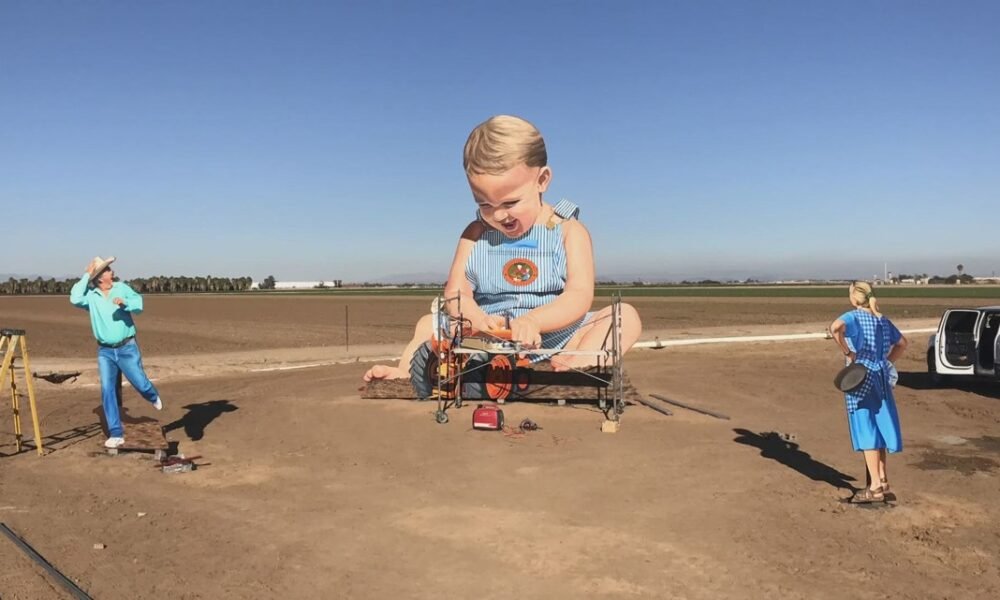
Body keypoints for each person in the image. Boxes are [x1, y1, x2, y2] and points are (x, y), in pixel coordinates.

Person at [364, 115, 642, 382]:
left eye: (510, 203)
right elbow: (456, 293)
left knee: (624, 317)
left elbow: (579, 297)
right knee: (428, 324)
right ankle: (408, 374)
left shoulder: (569, 231)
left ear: (542, 180)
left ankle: (572, 366)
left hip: (557, 338)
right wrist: (477, 319)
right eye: (484, 204)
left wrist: (534, 321)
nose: (498, 215)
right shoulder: (475, 235)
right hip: (487, 340)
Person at [70, 256, 162, 448]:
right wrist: (87, 274)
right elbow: (74, 297)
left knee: (140, 382)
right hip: (105, 351)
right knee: (107, 389)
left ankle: (152, 395)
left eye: (109, 269)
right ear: (99, 277)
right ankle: (116, 433)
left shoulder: (121, 288)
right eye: (107, 270)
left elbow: (139, 304)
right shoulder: (91, 296)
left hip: (127, 347)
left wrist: (125, 304)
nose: (111, 272)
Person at [829, 281, 908, 502]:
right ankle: (883, 480)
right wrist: (886, 362)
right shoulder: (881, 319)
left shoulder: (853, 317)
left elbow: (835, 328)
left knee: (867, 430)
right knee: (881, 427)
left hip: (860, 379)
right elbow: (902, 343)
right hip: (881, 378)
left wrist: (848, 352)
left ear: (855, 298)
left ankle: (873, 488)